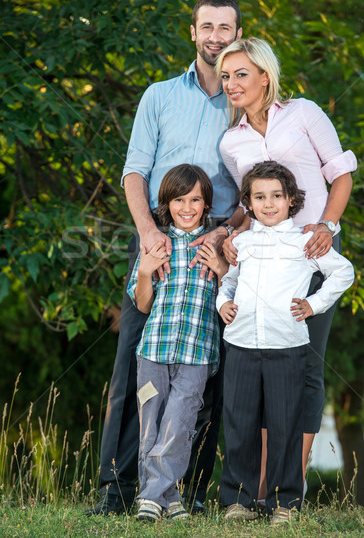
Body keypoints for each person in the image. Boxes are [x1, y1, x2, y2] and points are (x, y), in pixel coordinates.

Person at [86, 0, 244, 516]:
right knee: (136, 358)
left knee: (208, 372)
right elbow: (134, 171)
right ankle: (116, 490)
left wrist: (225, 235)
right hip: (156, 234)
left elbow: (259, 182)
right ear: (193, 32)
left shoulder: (246, 99)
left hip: (218, 242)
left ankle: (189, 492)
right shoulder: (159, 95)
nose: (216, 37)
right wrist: (147, 232)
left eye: (226, 29)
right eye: (208, 27)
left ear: (237, 36)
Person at [215, 37, 357, 493]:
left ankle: (285, 482)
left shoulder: (305, 113)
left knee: (307, 366)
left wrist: (326, 227)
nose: (232, 83)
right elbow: (247, 205)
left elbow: (341, 175)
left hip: (311, 254)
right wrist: (231, 233)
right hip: (261, 265)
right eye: (225, 76)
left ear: (264, 75)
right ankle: (257, 482)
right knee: (260, 363)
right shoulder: (230, 141)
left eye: (240, 74)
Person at [215, 161, 354, 523]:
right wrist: (223, 302)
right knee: (240, 424)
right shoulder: (240, 243)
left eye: (277, 195)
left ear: (291, 200)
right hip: (241, 343)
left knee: (285, 426)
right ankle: (238, 502)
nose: (269, 203)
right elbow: (229, 282)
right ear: (249, 202)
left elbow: (343, 272)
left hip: (287, 346)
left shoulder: (305, 241)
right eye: (260, 197)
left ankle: (284, 504)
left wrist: (314, 304)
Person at [128, 164, 228, 522]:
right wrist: (144, 270)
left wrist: (222, 271)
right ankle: (167, 499)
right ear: (166, 203)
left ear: (206, 204)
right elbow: (142, 304)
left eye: (196, 200)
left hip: (197, 354)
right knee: (151, 427)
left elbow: (231, 300)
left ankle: (150, 497)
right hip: (153, 351)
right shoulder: (157, 246)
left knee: (180, 424)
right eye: (179, 200)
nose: (187, 208)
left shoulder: (216, 248)